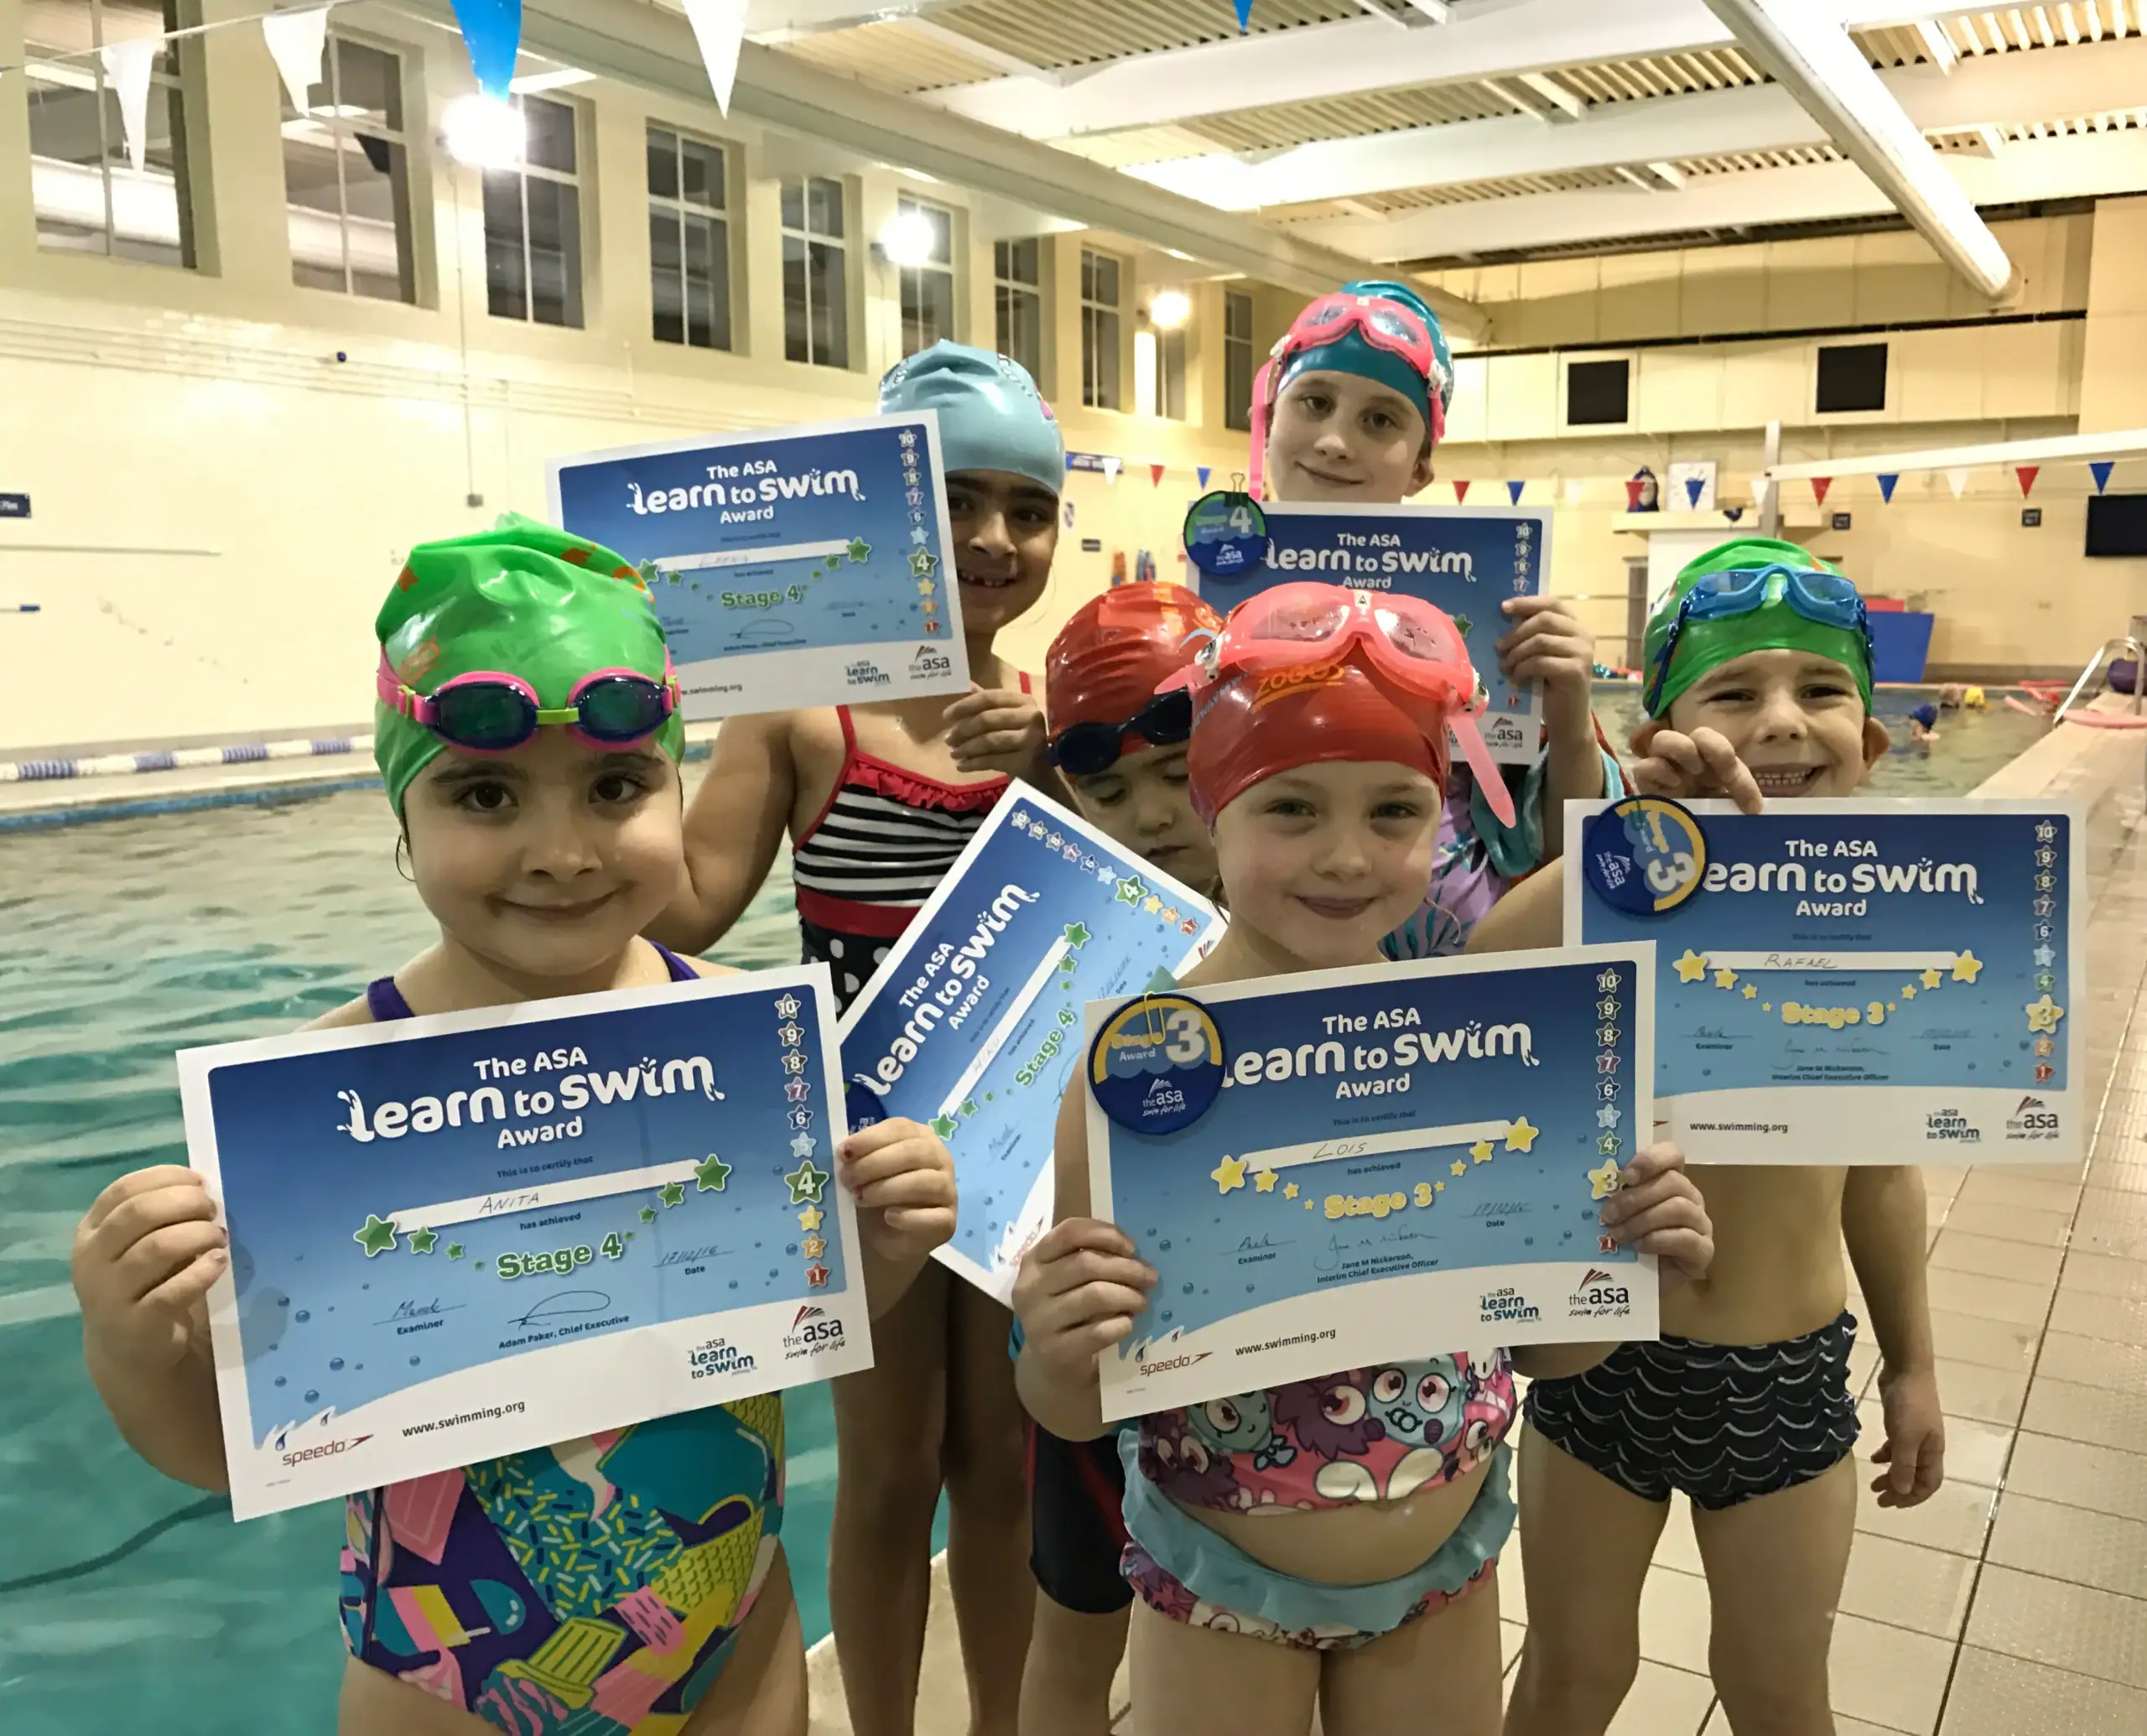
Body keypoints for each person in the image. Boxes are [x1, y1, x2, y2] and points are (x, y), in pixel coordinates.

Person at [68, 519, 959, 1736]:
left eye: (617, 786)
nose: (562, 851)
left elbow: (795, 1316)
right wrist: (132, 1341)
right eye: (485, 794)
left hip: (737, 1625)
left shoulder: (744, 1052)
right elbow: (235, 1452)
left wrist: (887, 1244)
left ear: (676, 787)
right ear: (401, 811)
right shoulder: (329, 1092)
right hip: (445, 1678)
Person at [1013, 583, 1715, 1736]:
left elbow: (1551, 1349)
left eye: (1395, 811)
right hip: (1219, 1579)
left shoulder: (1489, 1049)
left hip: (1447, 1564)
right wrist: (1054, 1338)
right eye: (1290, 807)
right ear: (1212, 805)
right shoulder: (1142, 1070)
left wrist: (1632, 1252)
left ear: (1439, 819)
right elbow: (1080, 1409)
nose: (1347, 857)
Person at [652, 341, 1066, 1736]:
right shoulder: (800, 711)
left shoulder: (1059, 718)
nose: (995, 538)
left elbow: (1158, 911)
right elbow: (691, 914)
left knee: (1004, 1465)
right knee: (890, 1468)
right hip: (864, 1152)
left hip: (1012, 1136)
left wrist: (1059, 765)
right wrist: (616, 756)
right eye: (956, 498)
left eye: (1028, 506)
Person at [1475, 538, 1947, 1736]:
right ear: (1669, 733)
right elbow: (1480, 979)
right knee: (1576, 1675)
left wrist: (1914, 1361)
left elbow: (1883, 1173)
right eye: (1737, 692)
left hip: (1785, 1382)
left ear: (1876, 741)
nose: (1782, 722)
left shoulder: (1880, 940)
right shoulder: (1635, 898)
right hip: (1604, 1366)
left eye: (1822, 690)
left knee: (1781, 1691)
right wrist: (1634, 842)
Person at [1248, 278, 1619, 957]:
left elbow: (1587, 862)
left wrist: (1568, 721)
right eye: (1314, 403)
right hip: (1264, 965)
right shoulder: (1197, 621)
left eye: (1381, 420)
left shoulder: (1501, 616)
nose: (1334, 441)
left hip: (1461, 986)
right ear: (1270, 418)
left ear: (1421, 467)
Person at [1015, 581, 1222, 1736]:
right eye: (1109, 787)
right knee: (1077, 1630)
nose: (1150, 815)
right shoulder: (1044, 948)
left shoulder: (1316, 915)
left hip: (1260, 1380)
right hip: (1093, 1355)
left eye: (1177, 769)